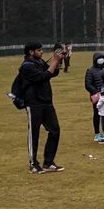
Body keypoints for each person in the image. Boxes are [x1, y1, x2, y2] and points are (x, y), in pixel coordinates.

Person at [17, 42, 66, 174]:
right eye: (39, 50)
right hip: (33, 103)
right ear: (31, 52)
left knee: (55, 130)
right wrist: (54, 60)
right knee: (34, 133)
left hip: (46, 102)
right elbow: (43, 76)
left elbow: (52, 73)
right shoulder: (27, 66)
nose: (42, 52)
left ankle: (48, 162)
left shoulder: (39, 62)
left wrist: (59, 61)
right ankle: (33, 164)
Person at [85, 52, 104, 141]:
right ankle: (97, 133)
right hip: (97, 96)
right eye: (99, 58)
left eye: (102, 58)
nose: (100, 60)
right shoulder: (90, 70)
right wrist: (97, 92)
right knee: (97, 114)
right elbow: (88, 84)